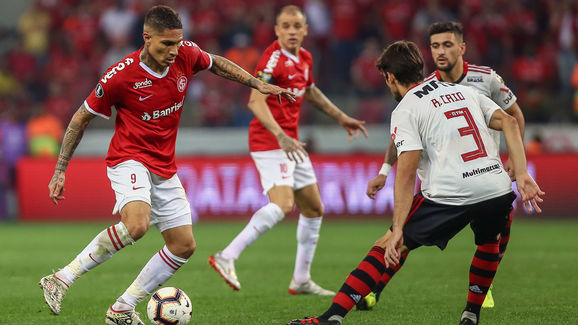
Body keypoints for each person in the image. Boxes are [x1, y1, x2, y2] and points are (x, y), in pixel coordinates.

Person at [38, 6, 295, 325]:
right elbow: (80, 118)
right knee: (137, 225)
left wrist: (258, 84)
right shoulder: (121, 75)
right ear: (146, 38)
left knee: (183, 245)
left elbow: (218, 64)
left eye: (178, 43)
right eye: (166, 44)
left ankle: (122, 308)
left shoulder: (186, 53)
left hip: (163, 165)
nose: (174, 51)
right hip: (128, 158)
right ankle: (61, 278)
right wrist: (61, 169)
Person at [287, 41, 544, 325]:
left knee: (385, 244)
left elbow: (407, 172)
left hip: (450, 194)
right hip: (496, 189)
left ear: (390, 77)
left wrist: (397, 229)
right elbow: (509, 122)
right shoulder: (464, 91)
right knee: (488, 243)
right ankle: (471, 313)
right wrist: (521, 175)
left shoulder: (406, 108)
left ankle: (330, 318)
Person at [357, 21, 527, 311]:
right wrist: (384, 171)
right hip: (444, 179)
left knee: (497, 233)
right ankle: (375, 288)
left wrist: (515, 162)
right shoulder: (428, 85)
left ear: (462, 48)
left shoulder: (487, 80)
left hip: (485, 172)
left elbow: (514, 117)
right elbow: (402, 138)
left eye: (447, 44)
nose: (440, 51)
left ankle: (483, 287)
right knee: (404, 234)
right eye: (435, 45)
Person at [208, 5, 367, 296]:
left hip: (291, 142)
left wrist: (340, 116)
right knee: (283, 205)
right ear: (277, 30)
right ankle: (227, 255)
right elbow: (255, 102)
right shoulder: (272, 59)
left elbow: (311, 91)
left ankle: (302, 279)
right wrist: (280, 135)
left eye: (297, 26)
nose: (292, 31)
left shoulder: (304, 58)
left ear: (306, 30)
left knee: (314, 208)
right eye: (286, 26)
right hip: (271, 142)